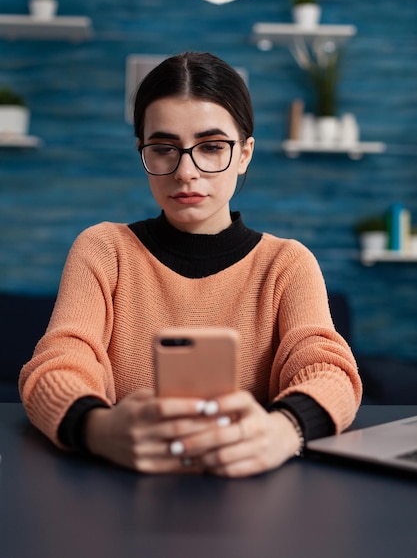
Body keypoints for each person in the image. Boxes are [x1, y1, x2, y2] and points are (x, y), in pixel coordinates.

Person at [19, 52, 362, 477]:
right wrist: (99, 429)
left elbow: (329, 369)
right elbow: (58, 362)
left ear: (245, 154)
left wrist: (285, 430)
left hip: (256, 500)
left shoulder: (286, 264)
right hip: (121, 496)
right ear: (141, 152)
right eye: (163, 149)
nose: (185, 172)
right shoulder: (103, 249)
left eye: (212, 147)